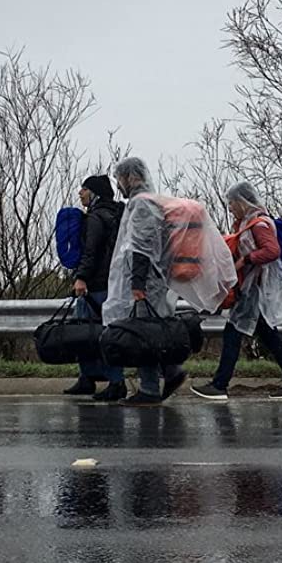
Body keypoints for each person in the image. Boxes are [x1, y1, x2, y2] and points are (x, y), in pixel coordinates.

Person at [102, 157, 236, 406]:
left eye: (120, 178)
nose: (118, 184)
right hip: (156, 280)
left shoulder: (142, 204)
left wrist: (137, 284)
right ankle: (172, 371)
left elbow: (141, 246)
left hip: (147, 282)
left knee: (142, 333)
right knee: (152, 331)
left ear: (131, 177)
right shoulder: (151, 202)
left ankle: (150, 389)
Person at [191, 182, 282, 401]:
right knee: (269, 336)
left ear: (242, 202)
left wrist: (245, 260)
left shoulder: (259, 224)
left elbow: (272, 251)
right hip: (252, 288)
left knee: (233, 333)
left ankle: (219, 385)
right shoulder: (248, 223)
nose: (230, 207)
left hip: (254, 290)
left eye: (232, 203)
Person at [64, 175, 127, 402]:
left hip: (96, 285)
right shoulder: (119, 215)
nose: (80, 193)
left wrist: (81, 277)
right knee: (110, 333)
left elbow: (90, 251)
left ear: (95, 193)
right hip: (116, 282)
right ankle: (94, 378)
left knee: (86, 333)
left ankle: (110, 381)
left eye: (84, 189)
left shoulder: (95, 217)